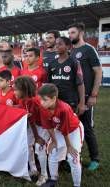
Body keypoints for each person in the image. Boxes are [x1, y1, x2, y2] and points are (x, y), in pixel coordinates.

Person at [68, 22, 102, 170]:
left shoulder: (89, 49)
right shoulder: (70, 52)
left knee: (87, 127)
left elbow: (98, 72)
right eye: (69, 33)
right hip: (73, 97)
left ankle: (95, 159)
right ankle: (76, 157)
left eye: (73, 33)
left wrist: (93, 95)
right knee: (73, 128)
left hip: (87, 95)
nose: (70, 36)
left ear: (81, 32)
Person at [38, 84, 84, 187]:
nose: (41, 103)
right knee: (52, 152)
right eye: (40, 99)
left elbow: (66, 129)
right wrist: (54, 141)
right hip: (59, 130)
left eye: (44, 100)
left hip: (73, 130)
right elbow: (49, 126)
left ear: (54, 98)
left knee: (73, 158)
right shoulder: (43, 108)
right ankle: (53, 179)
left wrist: (68, 146)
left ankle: (77, 184)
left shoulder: (64, 108)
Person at [13, 76, 50, 186]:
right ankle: (33, 169)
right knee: (27, 145)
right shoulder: (24, 99)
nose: (14, 92)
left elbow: (32, 121)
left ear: (24, 90)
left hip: (45, 126)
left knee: (39, 147)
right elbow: (21, 109)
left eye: (16, 89)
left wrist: (37, 137)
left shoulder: (33, 101)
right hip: (35, 125)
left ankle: (44, 175)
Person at [47, 36, 85, 115]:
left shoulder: (74, 62)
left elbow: (80, 84)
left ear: (68, 46)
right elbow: (49, 84)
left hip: (70, 101)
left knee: (69, 124)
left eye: (60, 44)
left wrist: (82, 103)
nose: (56, 46)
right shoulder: (52, 64)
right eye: (56, 44)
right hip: (55, 100)